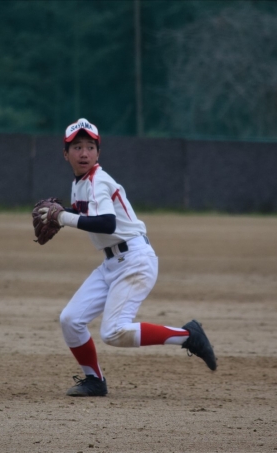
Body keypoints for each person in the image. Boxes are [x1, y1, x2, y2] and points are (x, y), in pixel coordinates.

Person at [48, 118, 216, 397]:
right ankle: (94, 381)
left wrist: (63, 217)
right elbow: (89, 215)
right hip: (112, 263)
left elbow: (107, 224)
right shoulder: (80, 183)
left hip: (135, 261)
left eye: (90, 147)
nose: (84, 153)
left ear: (98, 153)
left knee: (113, 332)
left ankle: (188, 336)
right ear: (65, 154)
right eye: (77, 147)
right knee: (70, 319)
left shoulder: (98, 181)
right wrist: (64, 212)